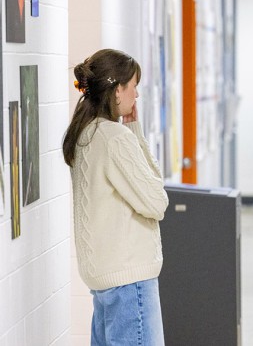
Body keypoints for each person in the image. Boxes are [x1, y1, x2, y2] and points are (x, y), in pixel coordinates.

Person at [62, 49, 169, 346]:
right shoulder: (114, 138)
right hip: (129, 281)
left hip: (106, 281)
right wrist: (133, 132)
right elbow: (157, 201)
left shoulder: (85, 133)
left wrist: (131, 129)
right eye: (134, 86)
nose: (137, 94)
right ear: (117, 88)